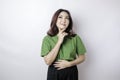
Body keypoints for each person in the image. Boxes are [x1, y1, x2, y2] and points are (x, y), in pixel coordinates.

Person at [41, 9, 86, 80]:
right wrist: (59, 41)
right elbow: (48, 61)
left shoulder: (75, 38)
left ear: (69, 22)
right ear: (55, 20)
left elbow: (82, 57)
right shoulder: (47, 39)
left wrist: (69, 64)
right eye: (60, 17)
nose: (64, 20)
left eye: (67, 18)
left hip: (71, 72)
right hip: (54, 73)